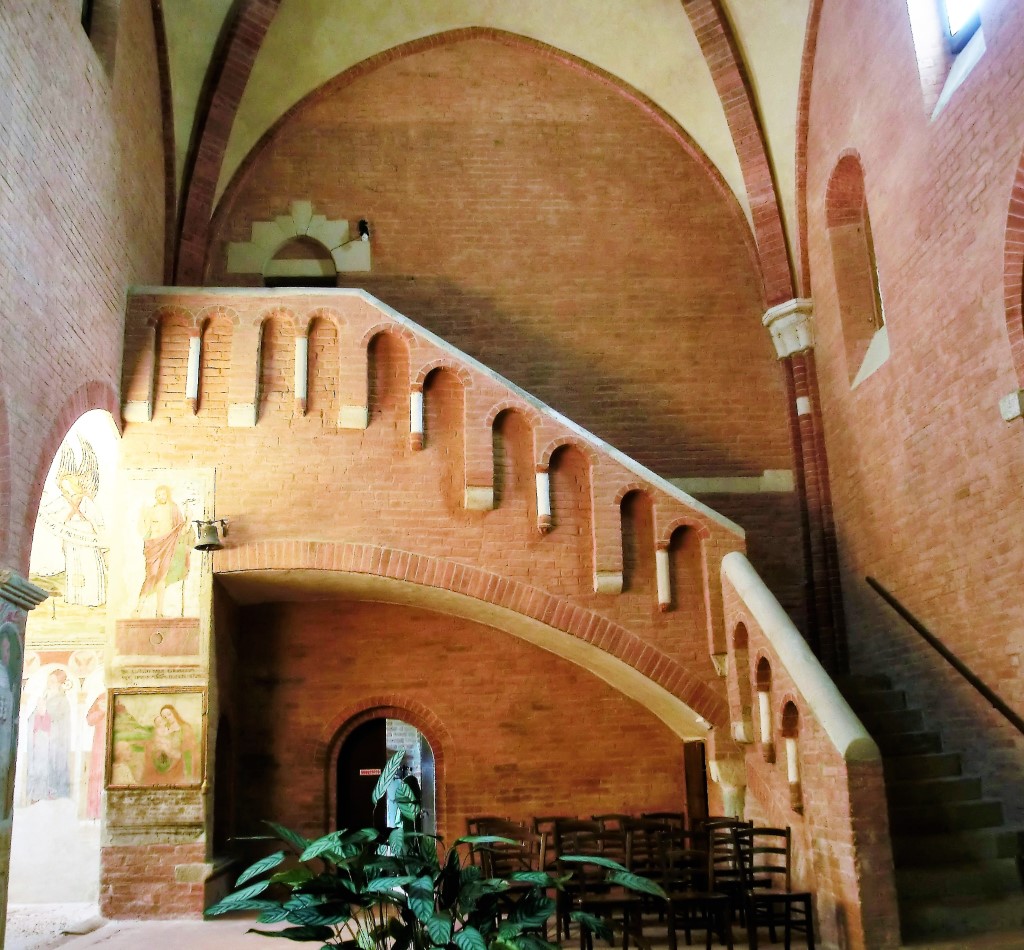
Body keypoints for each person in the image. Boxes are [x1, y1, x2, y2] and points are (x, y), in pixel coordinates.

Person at [134, 485, 193, 617]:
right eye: (159, 494)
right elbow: (143, 529)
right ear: (156, 496)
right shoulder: (152, 510)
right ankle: (138, 609)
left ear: (167, 494)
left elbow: (181, 531)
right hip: (154, 546)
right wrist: (142, 515)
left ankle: (159, 613)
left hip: (168, 545)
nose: (161, 497)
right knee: (151, 576)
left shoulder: (174, 509)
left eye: (164, 494)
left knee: (162, 578)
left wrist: (189, 519)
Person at [26, 669, 71, 802]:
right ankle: (37, 796)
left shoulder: (62, 700)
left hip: (53, 743)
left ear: (59, 683)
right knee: (38, 767)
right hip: (40, 742)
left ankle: (51, 796)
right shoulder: (44, 697)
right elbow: (31, 719)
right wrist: (38, 714)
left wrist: (45, 713)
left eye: (53, 681)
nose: (49, 683)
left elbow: (60, 721)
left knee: (51, 768)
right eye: (49, 680)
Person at [142, 704, 198, 785]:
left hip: (180, 765)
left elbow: (188, 750)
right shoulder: (163, 729)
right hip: (166, 763)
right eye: (164, 717)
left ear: (174, 713)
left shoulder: (184, 728)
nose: (168, 718)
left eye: (169, 714)